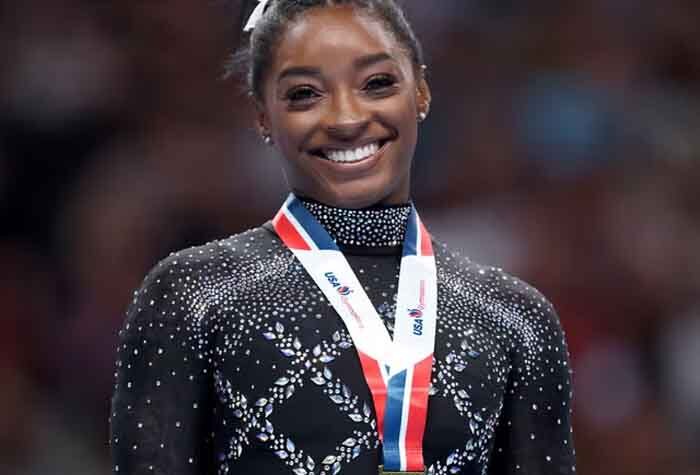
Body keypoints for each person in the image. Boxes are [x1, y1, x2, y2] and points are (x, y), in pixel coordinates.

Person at [110, 1, 576, 474]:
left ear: (421, 92)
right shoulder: (196, 295)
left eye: (376, 83)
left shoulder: (513, 316)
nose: (347, 119)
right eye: (305, 94)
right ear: (263, 117)